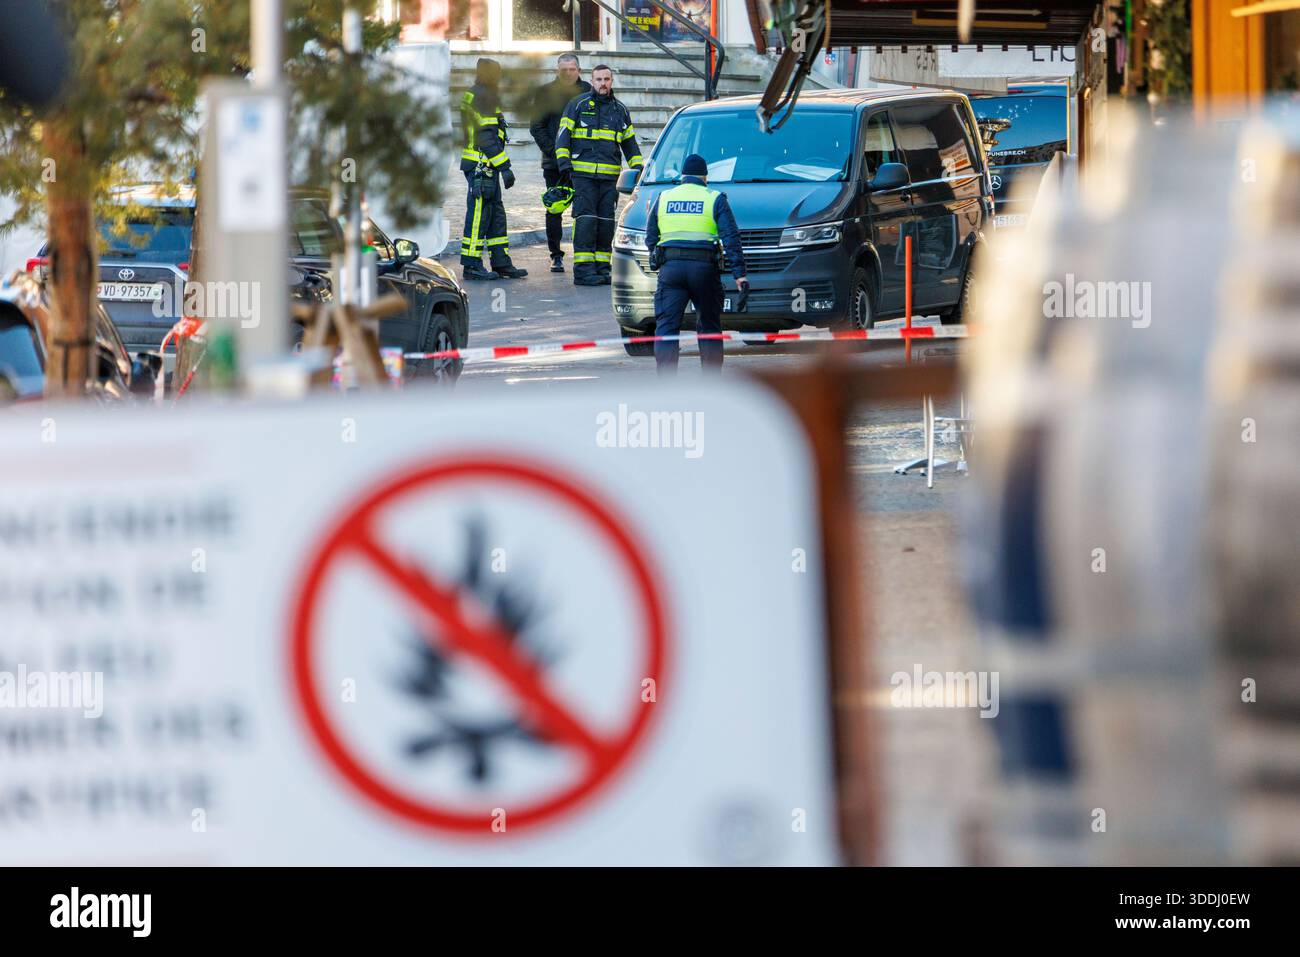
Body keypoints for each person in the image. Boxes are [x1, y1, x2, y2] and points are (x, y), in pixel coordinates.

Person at [645, 153, 749, 374]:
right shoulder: (714, 197)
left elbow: (650, 236)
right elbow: (731, 237)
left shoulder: (663, 197)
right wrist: (740, 275)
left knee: (666, 327)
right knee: (709, 325)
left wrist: (655, 258)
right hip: (704, 269)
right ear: (705, 178)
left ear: (682, 177)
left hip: (671, 270)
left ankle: (665, 382)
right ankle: (710, 381)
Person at [554, 64, 642, 286]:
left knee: (605, 223)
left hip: (610, 179)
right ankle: (583, 271)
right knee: (585, 222)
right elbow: (563, 136)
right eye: (599, 79)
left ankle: (603, 269)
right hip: (583, 177)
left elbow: (630, 145)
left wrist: (638, 171)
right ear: (591, 81)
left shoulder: (620, 110)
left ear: (611, 81)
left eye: (607, 79)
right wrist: (564, 165)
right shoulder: (578, 105)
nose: (603, 83)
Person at [459, 57, 526, 281]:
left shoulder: (480, 94)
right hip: (481, 165)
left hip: (486, 166)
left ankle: (501, 262)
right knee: (479, 214)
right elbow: (486, 136)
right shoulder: (482, 96)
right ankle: (471, 265)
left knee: (495, 213)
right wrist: (505, 167)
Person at [528, 53, 591, 274]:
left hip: (583, 163)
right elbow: (537, 127)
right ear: (557, 71)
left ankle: (583, 254)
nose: (567, 73)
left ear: (579, 70)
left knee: (582, 210)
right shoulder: (546, 93)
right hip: (554, 164)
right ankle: (556, 256)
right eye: (563, 70)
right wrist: (557, 154)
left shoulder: (589, 92)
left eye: (571, 69)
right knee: (554, 210)